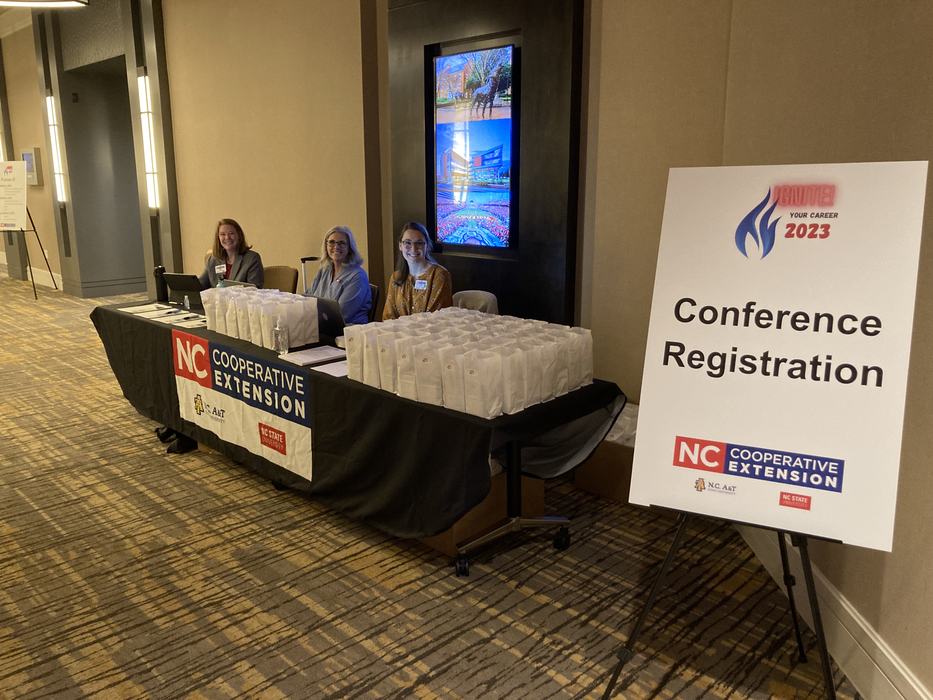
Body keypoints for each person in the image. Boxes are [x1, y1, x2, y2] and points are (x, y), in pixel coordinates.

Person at [383, 221, 452, 320]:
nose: (413, 248)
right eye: (407, 242)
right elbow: (388, 317)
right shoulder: (395, 277)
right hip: (398, 334)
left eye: (419, 243)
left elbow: (435, 319)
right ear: (400, 246)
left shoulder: (439, 275)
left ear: (427, 246)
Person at [306, 225, 372, 325]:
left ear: (349, 248)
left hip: (347, 332)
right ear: (326, 245)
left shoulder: (358, 276)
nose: (336, 247)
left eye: (342, 243)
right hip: (322, 326)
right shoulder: (324, 270)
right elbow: (308, 299)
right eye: (331, 242)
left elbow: (341, 315)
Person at [198, 218, 264, 289]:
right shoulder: (213, 259)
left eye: (231, 233)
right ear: (218, 238)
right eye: (222, 234)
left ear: (239, 235)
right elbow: (200, 285)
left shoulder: (252, 259)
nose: (227, 237)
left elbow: (255, 290)